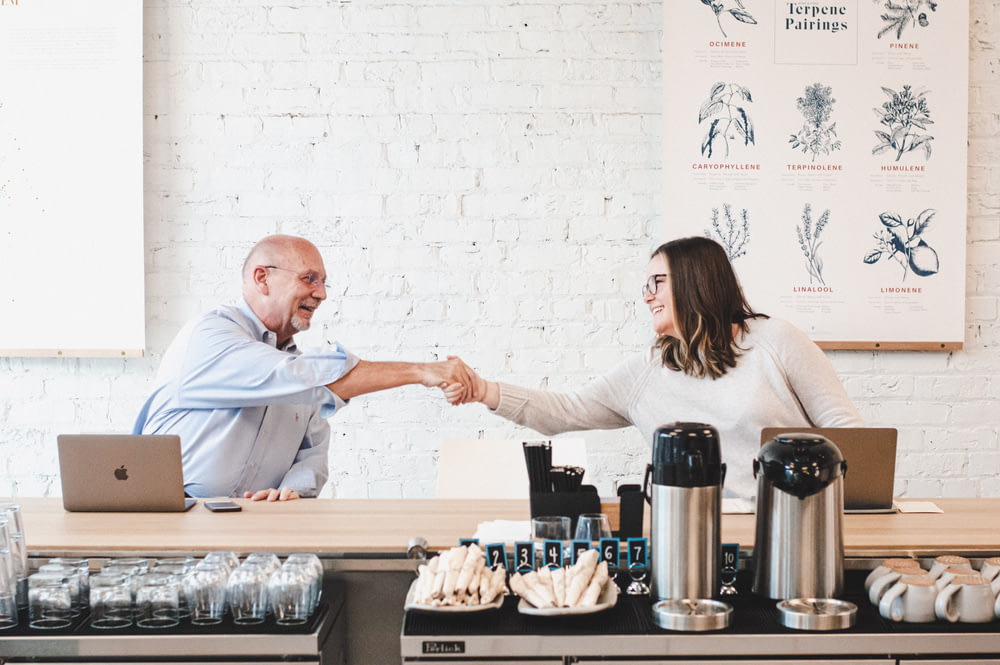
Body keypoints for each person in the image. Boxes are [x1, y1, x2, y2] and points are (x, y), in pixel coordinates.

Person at [448, 236, 864, 500]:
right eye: (645, 285)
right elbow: (564, 411)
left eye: (657, 283)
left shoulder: (776, 341)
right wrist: (483, 390)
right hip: (693, 535)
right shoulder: (647, 372)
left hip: (791, 528)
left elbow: (849, 434)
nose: (647, 296)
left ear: (696, 282)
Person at [133, 234, 475, 501]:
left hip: (254, 531)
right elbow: (294, 377)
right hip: (176, 524)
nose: (322, 294)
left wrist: (292, 490)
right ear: (262, 278)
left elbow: (312, 453)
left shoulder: (298, 370)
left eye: (323, 282)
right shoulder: (211, 336)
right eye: (309, 278)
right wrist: (423, 372)